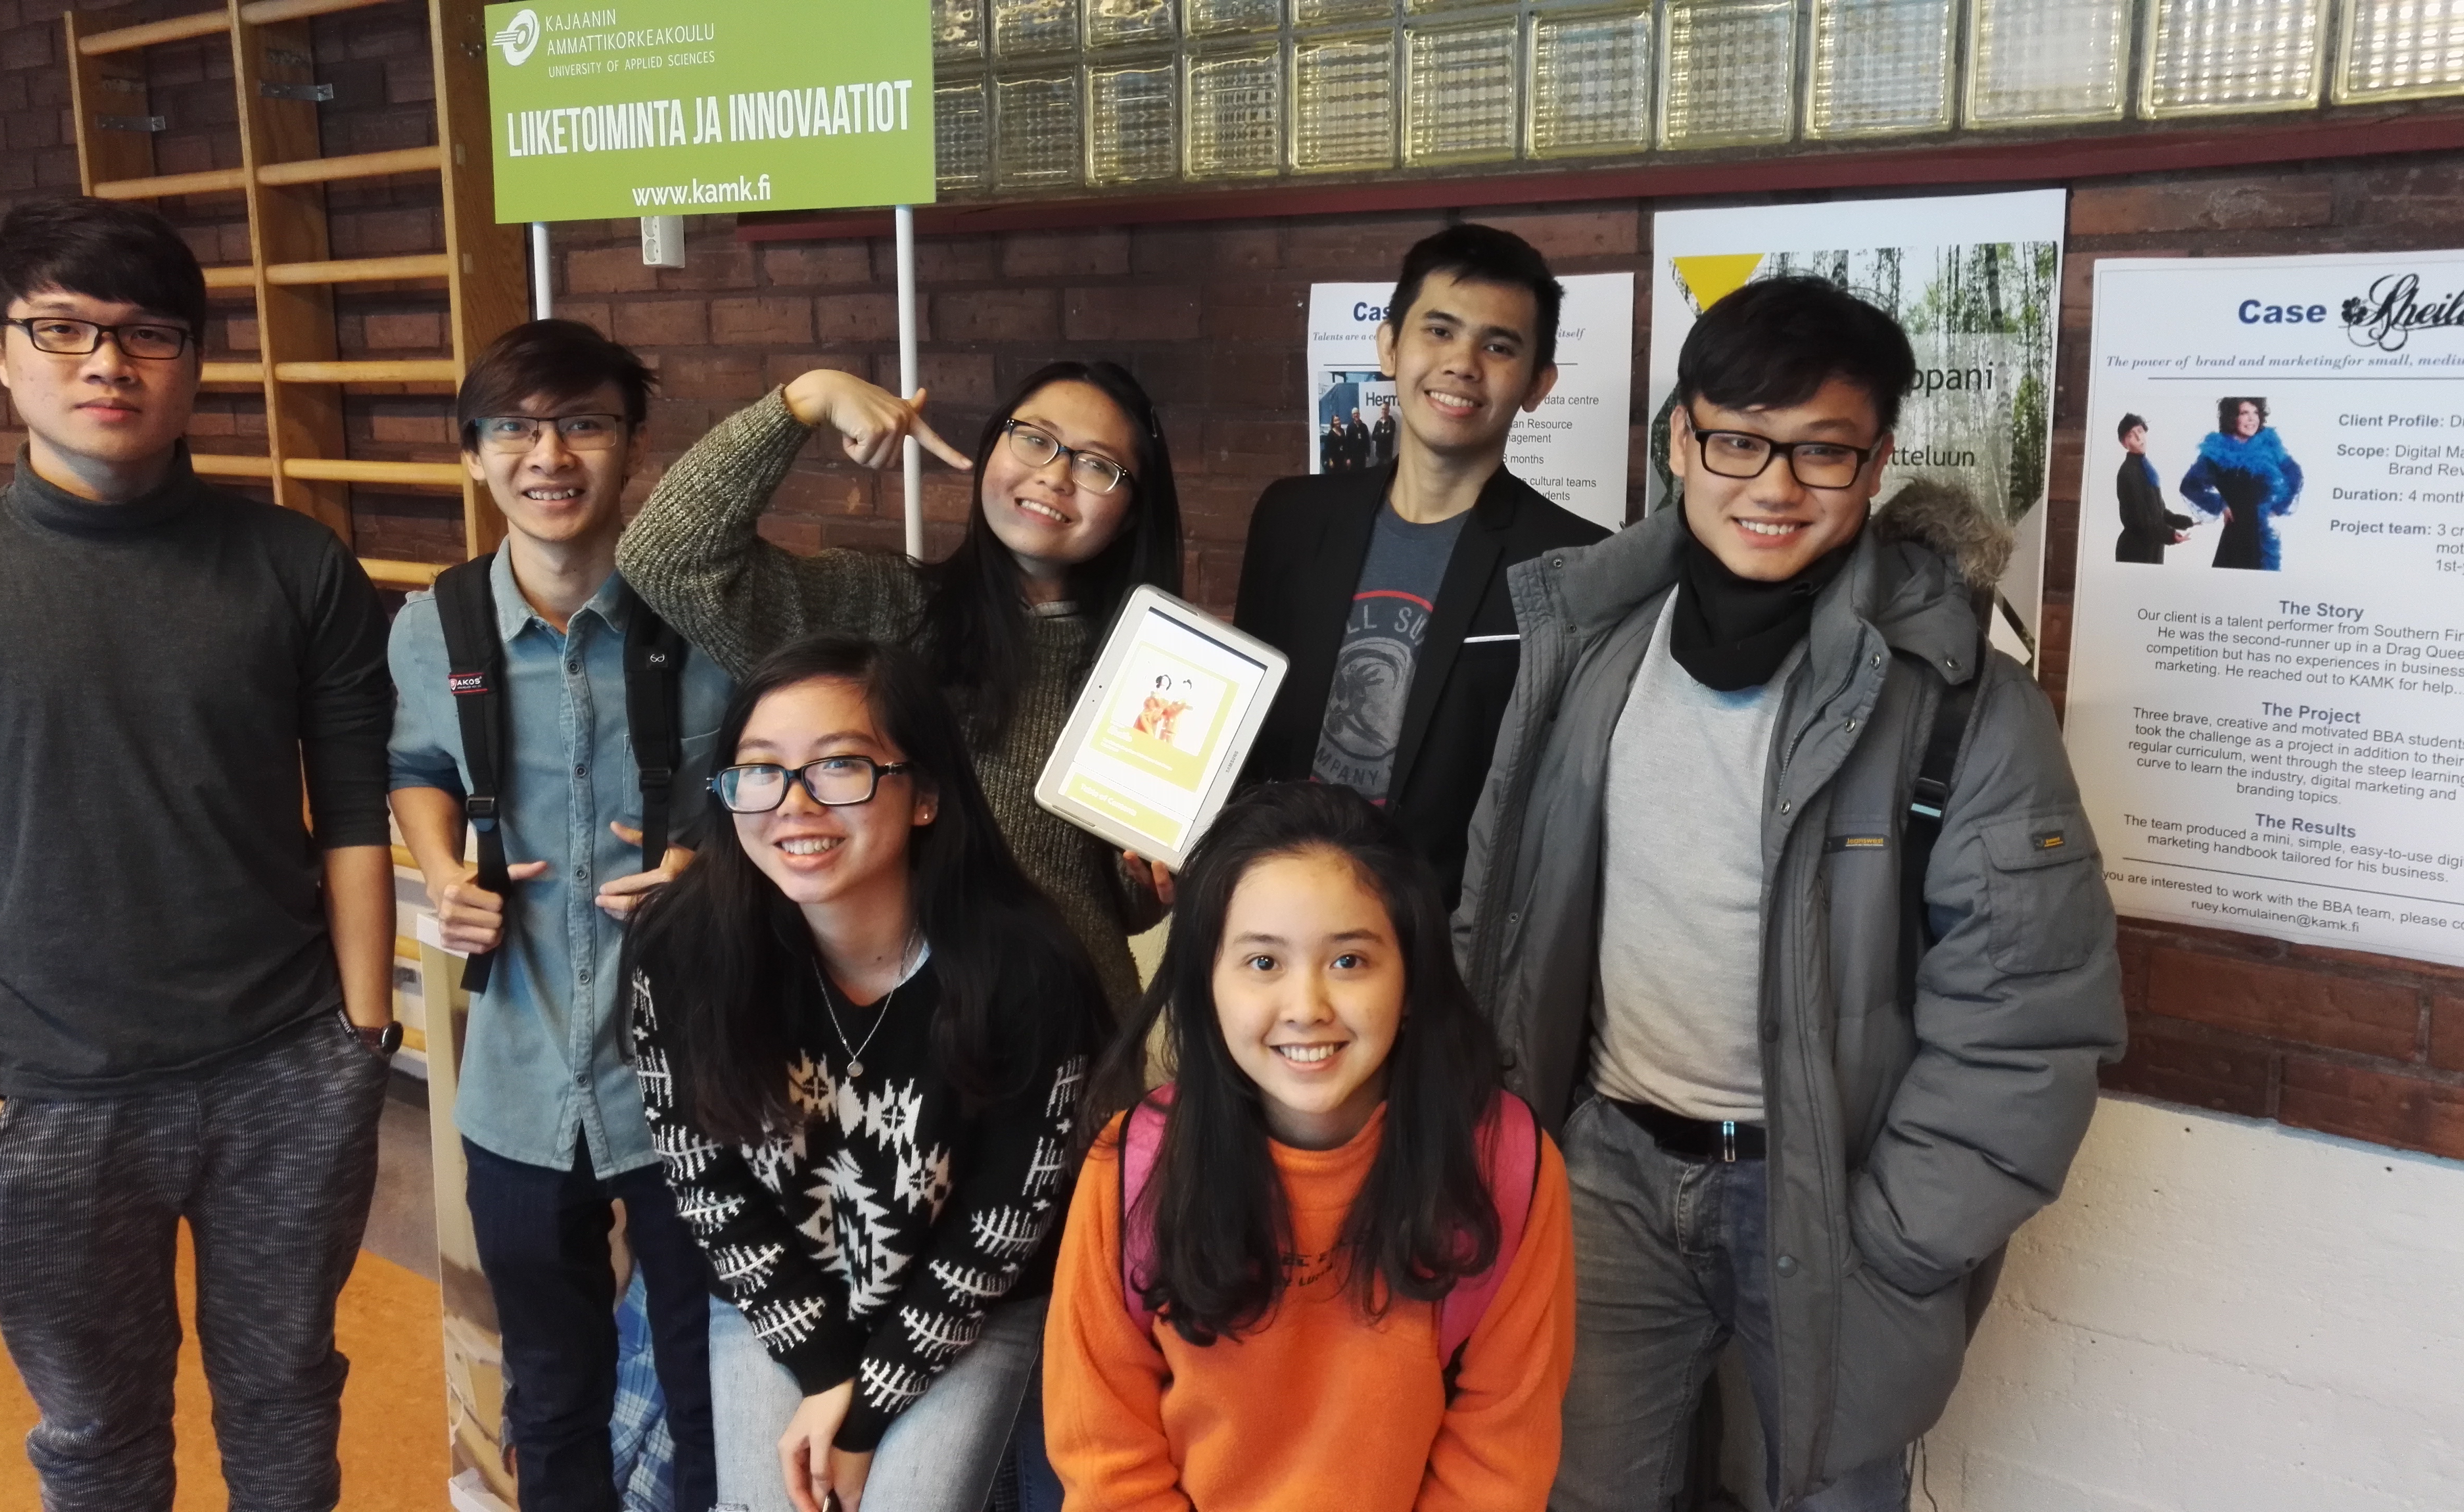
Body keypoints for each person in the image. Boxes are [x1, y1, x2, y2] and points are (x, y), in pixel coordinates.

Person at [1455, 276, 2125, 1511]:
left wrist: (1898, 1240)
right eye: (1739, 442)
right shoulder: (1591, 643)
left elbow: (2029, 1020)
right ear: (1679, 440)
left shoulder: (1962, 701)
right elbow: (1499, 898)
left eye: (1823, 451)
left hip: (1829, 1199)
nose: (1773, 486)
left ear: (1875, 464)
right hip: (1604, 1170)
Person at [0, 196, 396, 1509]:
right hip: (53, 1089)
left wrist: (364, 1032)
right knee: (95, 1427)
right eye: (64, 329)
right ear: (1, 352)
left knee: (285, 1391)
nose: (108, 362)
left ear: (192, 361)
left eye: (147, 332)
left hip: (284, 1065)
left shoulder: (295, 563)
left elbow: (354, 807)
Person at [627, 635, 1111, 1512]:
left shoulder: (1032, 973)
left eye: (840, 766)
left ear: (925, 793)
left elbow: (1002, 1226)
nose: (794, 804)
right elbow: (704, 1183)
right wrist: (822, 1372)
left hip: (963, 1307)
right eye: (760, 770)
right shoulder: (678, 948)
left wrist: (861, 1419)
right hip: (778, 1289)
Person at [386, 319, 734, 1510]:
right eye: (515, 429)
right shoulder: (436, 626)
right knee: (549, 1387)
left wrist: (706, 861)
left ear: (631, 444)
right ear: (474, 452)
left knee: (709, 1381)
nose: (549, 455)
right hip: (519, 1074)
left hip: (693, 1077)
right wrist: (443, 867)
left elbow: (771, 784)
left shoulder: (703, 619)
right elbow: (415, 762)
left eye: (583, 423)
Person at [1046, 782, 1574, 1512]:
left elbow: (1498, 1460)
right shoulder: (1133, 1169)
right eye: (1263, 963)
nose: (1307, 1008)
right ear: (1207, 986)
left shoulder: (1504, 1166)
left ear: (1412, 981)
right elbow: (1105, 1459)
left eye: (1349, 961)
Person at [618, 362, 1182, 1014]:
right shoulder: (884, 610)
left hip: (1068, 1024)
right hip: (879, 1033)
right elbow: (667, 560)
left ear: (1132, 511)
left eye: (1097, 465)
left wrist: (1151, 877)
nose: (1056, 474)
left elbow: (1119, 903)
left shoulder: (1155, 681)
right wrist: (808, 399)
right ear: (992, 448)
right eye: (1035, 439)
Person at [1235, 224, 1608, 900]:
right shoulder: (1291, 520)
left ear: (1538, 383)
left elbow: (1564, 802)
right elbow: (1247, 730)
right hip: (1284, 905)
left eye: (1499, 346)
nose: (1463, 363)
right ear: (1389, 346)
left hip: (1446, 934)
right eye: (1439, 331)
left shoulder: (1575, 563)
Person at [2178, 396, 2301, 571]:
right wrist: (2221, 505)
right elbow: (2189, 485)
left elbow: (2294, 474)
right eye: (2244, 413)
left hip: (2260, 535)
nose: (2252, 419)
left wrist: (2279, 506)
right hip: (2235, 534)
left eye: (2255, 413)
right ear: (2232, 418)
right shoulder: (2216, 452)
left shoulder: (2269, 447)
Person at [2110, 412, 2191, 564]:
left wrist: (2185, 522)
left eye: (2140, 431)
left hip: (2152, 546)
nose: (2138, 438)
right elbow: (2143, 519)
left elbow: (2159, 511)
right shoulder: (2128, 472)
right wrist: (2171, 535)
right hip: (2135, 550)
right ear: (2124, 443)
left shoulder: (2146, 468)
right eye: (2131, 435)